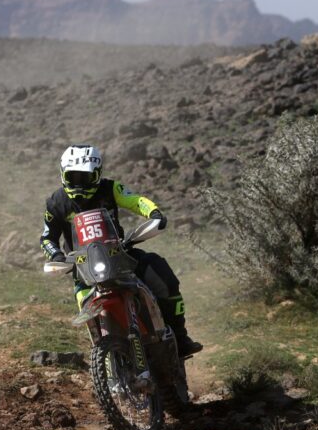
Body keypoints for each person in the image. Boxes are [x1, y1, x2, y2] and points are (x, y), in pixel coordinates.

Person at [39, 144, 203, 356]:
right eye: (74, 177)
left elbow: (135, 201)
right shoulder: (56, 202)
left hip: (121, 255)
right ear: (63, 174)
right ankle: (105, 358)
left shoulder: (110, 188)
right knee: (88, 315)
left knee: (165, 278)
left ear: (98, 175)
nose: (79, 184)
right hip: (83, 269)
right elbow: (47, 237)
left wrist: (154, 213)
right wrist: (57, 255)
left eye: (85, 178)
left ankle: (180, 337)